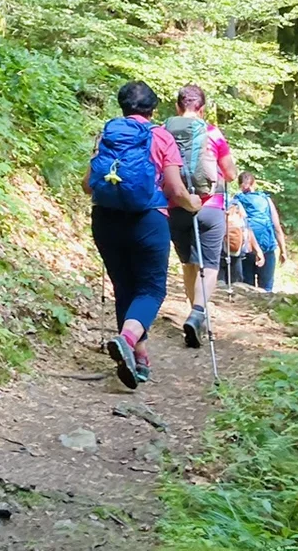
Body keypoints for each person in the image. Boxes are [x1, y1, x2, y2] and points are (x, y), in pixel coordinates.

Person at [85, 80, 202, 390]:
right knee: (151, 289)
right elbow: (175, 190)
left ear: (122, 106)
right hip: (148, 220)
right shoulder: (161, 136)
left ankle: (139, 358)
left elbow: (88, 185)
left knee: (124, 287)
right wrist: (194, 203)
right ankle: (127, 338)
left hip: (105, 219)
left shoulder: (107, 135)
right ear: (153, 109)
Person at [164, 84, 238, 347]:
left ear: (177, 106)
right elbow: (230, 174)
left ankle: (193, 313)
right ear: (202, 108)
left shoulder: (164, 133)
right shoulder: (213, 133)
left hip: (177, 206)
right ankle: (197, 314)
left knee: (188, 264)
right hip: (210, 206)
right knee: (209, 265)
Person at [232, 171, 287, 292]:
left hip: (246, 248)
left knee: (246, 286)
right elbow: (276, 227)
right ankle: (266, 309)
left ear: (239, 184)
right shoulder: (265, 199)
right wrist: (283, 250)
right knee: (267, 287)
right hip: (267, 247)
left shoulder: (236, 200)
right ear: (254, 184)